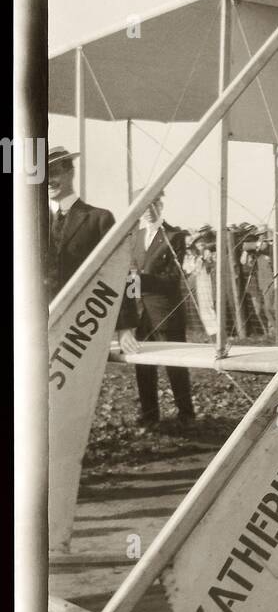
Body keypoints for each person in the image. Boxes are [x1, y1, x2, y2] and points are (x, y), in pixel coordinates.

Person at [123, 191, 196, 428]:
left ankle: (186, 413)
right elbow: (130, 272)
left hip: (166, 311)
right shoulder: (135, 236)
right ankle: (150, 414)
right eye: (143, 204)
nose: (148, 209)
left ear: (160, 204)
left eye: (152, 203)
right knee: (143, 364)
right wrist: (133, 305)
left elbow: (174, 278)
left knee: (175, 363)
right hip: (141, 313)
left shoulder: (174, 236)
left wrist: (142, 279)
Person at [46, 146, 117, 300]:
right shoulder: (32, 226)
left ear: (71, 173)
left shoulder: (100, 219)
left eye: (54, 172)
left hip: (85, 318)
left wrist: (125, 322)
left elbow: (115, 275)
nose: (48, 181)